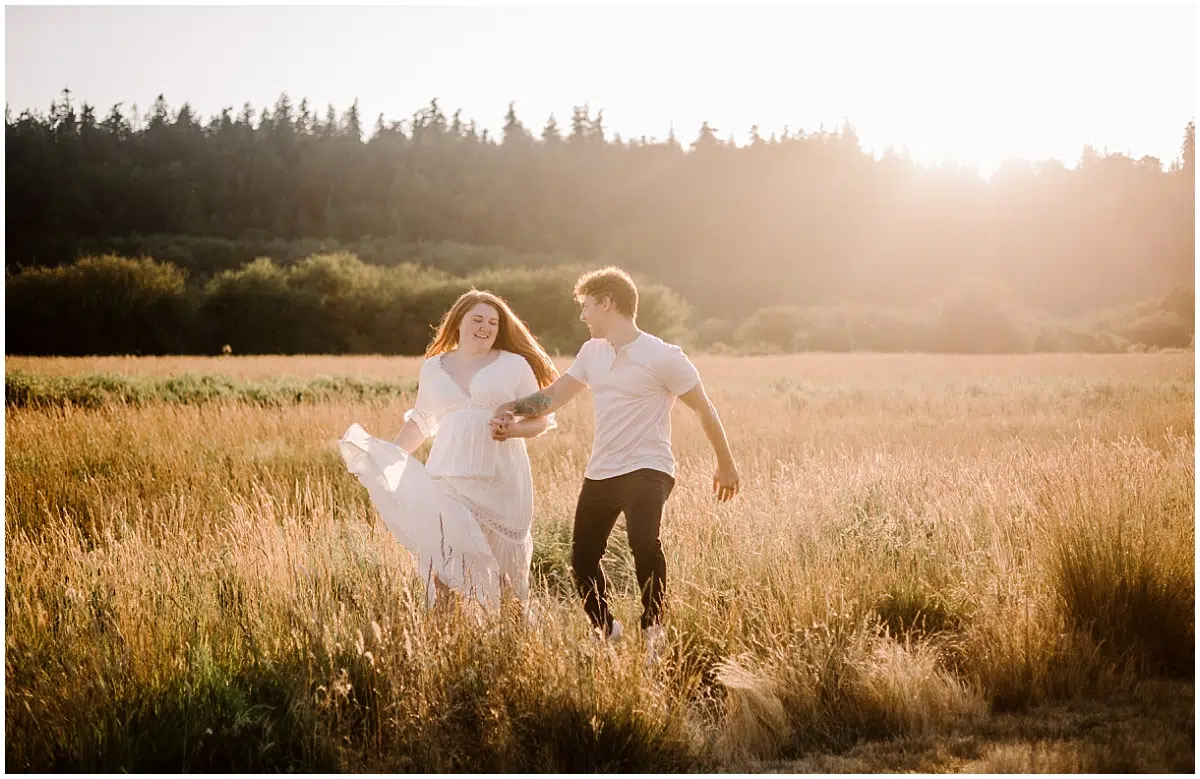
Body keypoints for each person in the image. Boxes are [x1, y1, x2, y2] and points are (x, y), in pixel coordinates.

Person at [491, 267, 740, 662]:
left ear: (608, 303)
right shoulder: (593, 353)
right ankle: (605, 629)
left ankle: (654, 630)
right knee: (582, 558)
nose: (583, 316)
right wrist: (513, 407)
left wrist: (726, 465)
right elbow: (554, 398)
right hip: (602, 470)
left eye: (587, 306)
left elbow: (704, 409)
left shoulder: (663, 356)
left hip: (649, 466)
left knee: (644, 542)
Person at [339, 290, 558, 614]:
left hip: (503, 480)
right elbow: (422, 421)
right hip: (447, 478)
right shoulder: (433, 368)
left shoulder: (514, 364)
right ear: (458, 322)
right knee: (442, 568)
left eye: (493, 322)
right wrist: (390, 457)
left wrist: (511, 428)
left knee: (506, 577)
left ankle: (511, 649)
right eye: (477, 320)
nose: (485, 327)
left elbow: (541, 420)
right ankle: (446, 645)